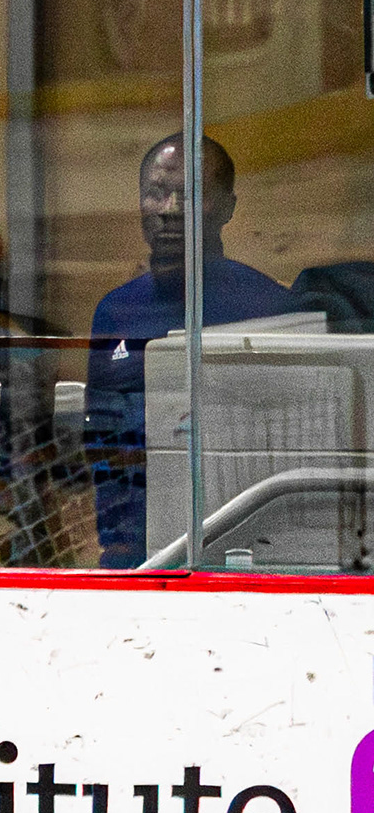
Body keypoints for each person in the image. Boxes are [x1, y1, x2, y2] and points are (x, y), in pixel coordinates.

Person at [84, 133, 297, 569]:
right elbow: (101, 446)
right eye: (157, 192)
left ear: (227, 208)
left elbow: (286, 450)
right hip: (135, 552)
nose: (170, 209)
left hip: (247, 550)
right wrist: (118, 551)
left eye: (191, 193)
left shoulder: (271, 307)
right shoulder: (115, 311)